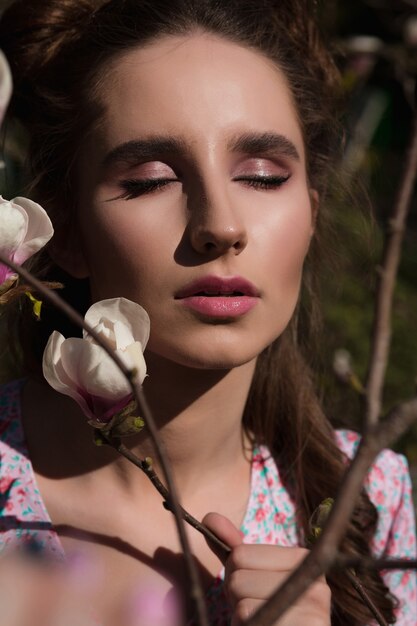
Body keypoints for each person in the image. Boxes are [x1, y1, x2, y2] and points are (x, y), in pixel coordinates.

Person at [0, 1, 415, 625]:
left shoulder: (372, 502)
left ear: (311, 211)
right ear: (67, 232)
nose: (220, 225)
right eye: (150, 180)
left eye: (262, 175)